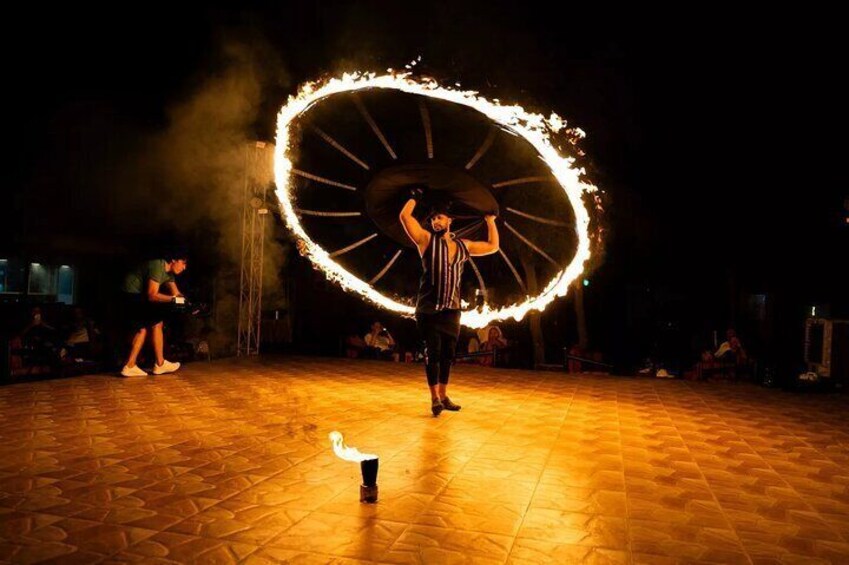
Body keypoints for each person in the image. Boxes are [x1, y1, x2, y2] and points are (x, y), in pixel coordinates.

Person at [399, 191, 499, 416]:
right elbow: (405, 217)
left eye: (440, 218)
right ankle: (434, 398)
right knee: (433, 352)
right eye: (433, 218)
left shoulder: (463, 246)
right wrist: (415, 197)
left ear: (449, 221)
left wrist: (490, 221)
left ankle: (444, 396)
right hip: (429, 309)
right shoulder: (426, 240)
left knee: (447, 355)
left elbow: (493, 246)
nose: (435, 221)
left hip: (452, 311)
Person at [119, 253, 188, 377]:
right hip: (129, 295)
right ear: (173, 260)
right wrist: (175, 300)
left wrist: (190, 304)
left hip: (136, 296)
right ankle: (155, 364)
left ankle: (133, 365)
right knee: (150, 326)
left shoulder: (169, 274)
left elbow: (177, 295)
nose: (184, 267)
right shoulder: (158, 266)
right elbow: (152, 295)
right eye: (183, 263)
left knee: (149, 326)